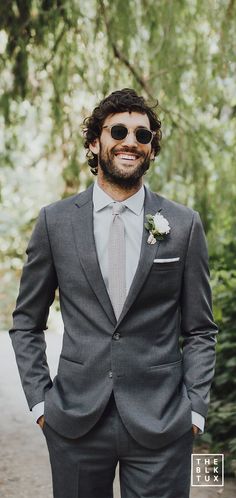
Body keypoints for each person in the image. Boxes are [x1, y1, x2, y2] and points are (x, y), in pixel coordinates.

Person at [9, 88, 218, 498]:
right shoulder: (55, 223)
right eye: (118, 130)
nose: (130, 141)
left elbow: (200, 330)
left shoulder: (184, 224)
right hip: (74, 422)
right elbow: (26, 323)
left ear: (152, 150)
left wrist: (194, 410)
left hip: (162, 423)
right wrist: (40, 404)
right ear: (94, 143)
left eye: (143, 135)